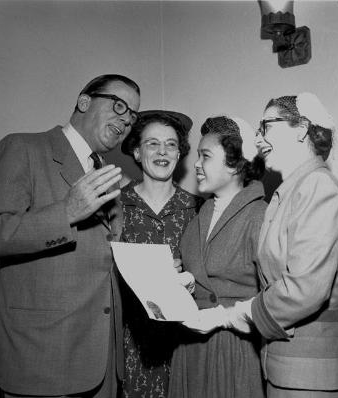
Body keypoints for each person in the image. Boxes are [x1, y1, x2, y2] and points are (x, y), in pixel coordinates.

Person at [187, 93, 338, 397]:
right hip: (286, 364)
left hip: (309, 372)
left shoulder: (318, 187)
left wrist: (231, 315)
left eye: (266, 126)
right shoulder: (290, 192)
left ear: (300, 129)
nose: (258, 138)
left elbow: (305, 288)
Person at [0, 74, 141, 397]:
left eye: (132, 117)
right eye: (119, 106)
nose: (126, 120)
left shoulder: (106, 175)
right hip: (42, 360)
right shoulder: (22, 147)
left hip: (101, 363)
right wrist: (66, 213)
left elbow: (102, 260)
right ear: (85, 102)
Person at [167, 116, 267, 398]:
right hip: (191, 348)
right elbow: (203, 274)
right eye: (197, 156)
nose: (196, 164)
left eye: (206, 156)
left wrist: (223, 316)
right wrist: (185, 281)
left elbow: (276, 297)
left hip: (234, 349)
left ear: (235, 164)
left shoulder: (261, 217)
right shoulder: (201, 215)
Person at [118, 110, 202, 398]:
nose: (162, 151)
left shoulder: (199, 209)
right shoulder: (114, 208)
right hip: (130, 345)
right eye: (152, 143)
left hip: (185, 343)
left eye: (171, 144)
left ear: (180, 154)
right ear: (138, 153)